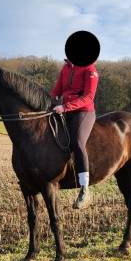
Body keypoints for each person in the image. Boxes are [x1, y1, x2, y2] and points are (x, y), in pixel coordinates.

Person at [50, 55, 99, 209]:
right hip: (64, 110)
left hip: (83, 111)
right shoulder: (66, 68)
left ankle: (85, 189)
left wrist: (65, 107)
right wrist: (49, 102)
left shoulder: (90, 70)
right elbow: (57, 90)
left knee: (78, 143)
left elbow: (88, 97)